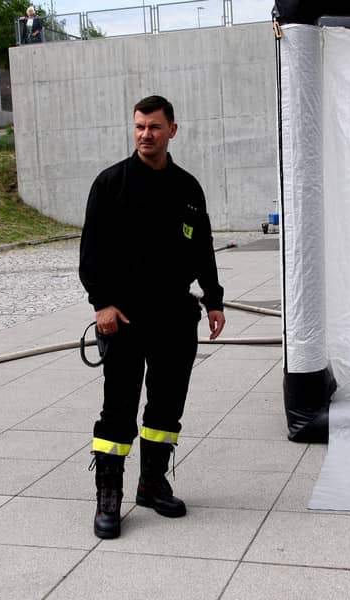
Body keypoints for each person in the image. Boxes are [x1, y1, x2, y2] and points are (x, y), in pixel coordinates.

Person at [79, 95, 226, 539]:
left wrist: (214, 300)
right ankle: (109, 496)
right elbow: (91, 252)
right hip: (124, 318)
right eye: (140, 126)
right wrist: (102, 304)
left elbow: (203, 247)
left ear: (172, 131)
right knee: (118, 410)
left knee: (166, 406)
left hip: (175, 317)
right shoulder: (111, 184)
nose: (146, 134)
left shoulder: (188, 188)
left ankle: (152, 483)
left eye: (155, 127)